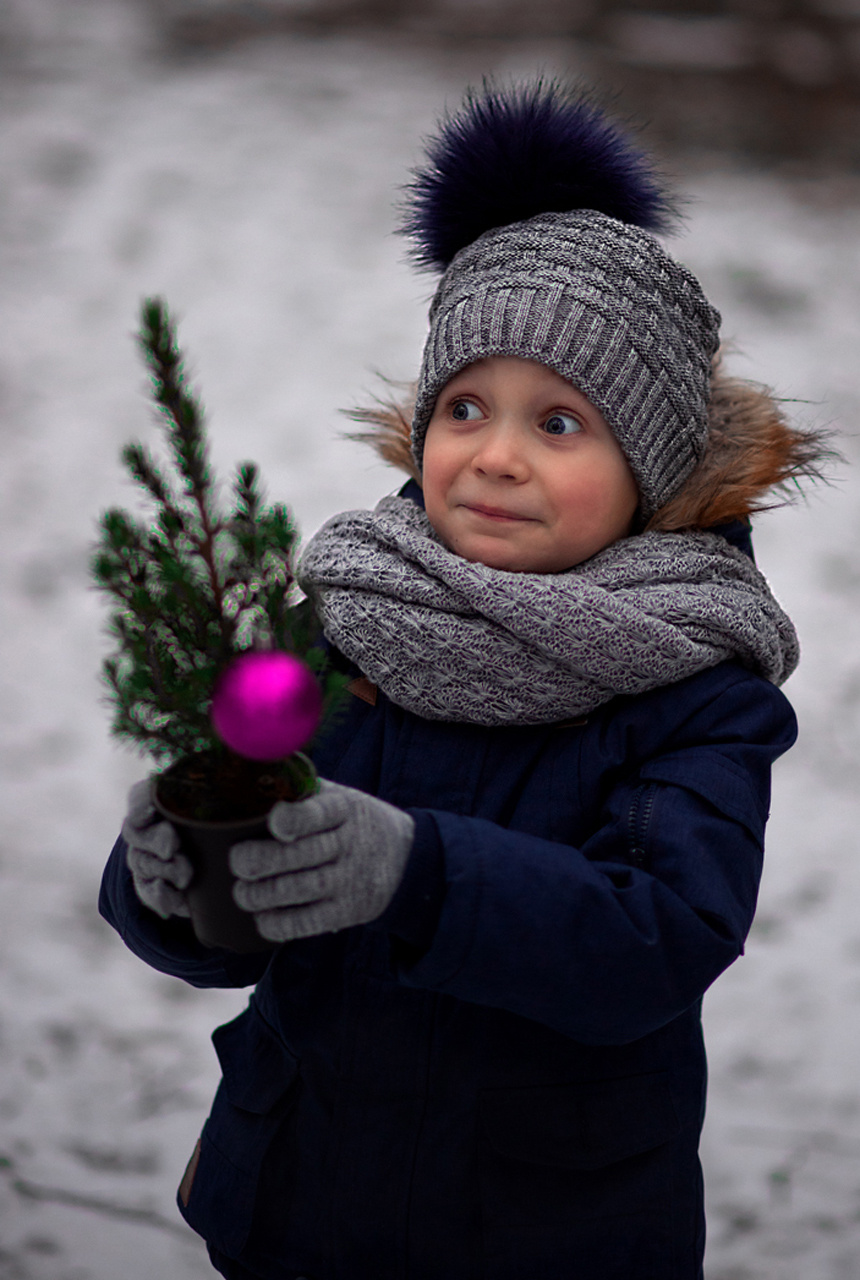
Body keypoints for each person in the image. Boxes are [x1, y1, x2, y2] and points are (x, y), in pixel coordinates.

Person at [99, 81, 827, 1280]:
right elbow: (227, 872)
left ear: (645, 472)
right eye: (464, 406)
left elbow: (657, 934)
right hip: (300, 1201)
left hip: (540, 1227)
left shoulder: (694, 686)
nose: (492, 453)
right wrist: (169, 873)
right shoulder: (339, 623)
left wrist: (417, 874)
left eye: (557, 423)